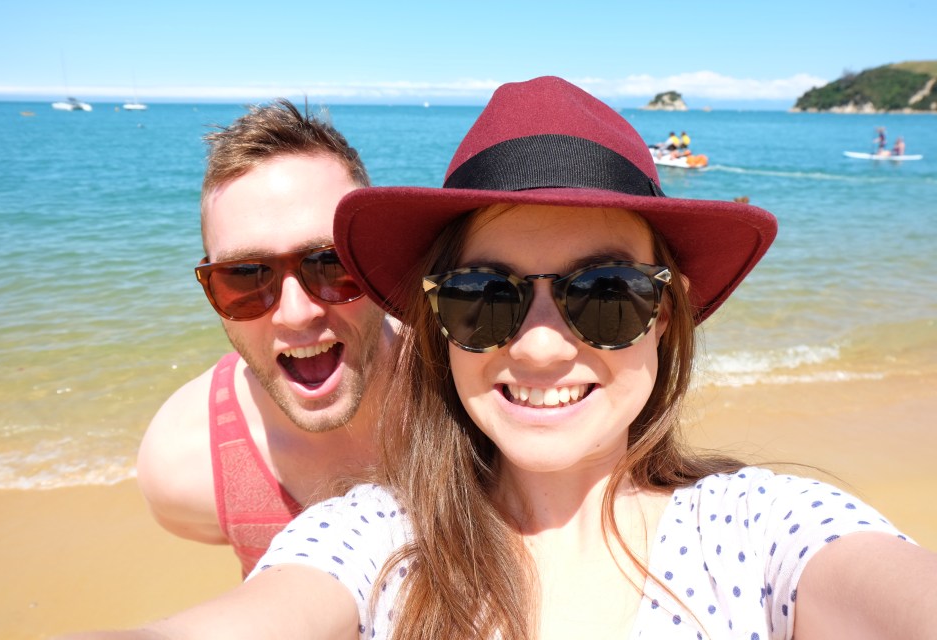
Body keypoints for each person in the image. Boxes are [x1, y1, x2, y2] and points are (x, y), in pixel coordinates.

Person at [67, 77, 937, 639]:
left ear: (666, 317)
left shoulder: (755, 530)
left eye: (608, 291)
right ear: (440, 321)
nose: (545, 344)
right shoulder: (375, 537)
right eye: (485, 297)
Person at [136, 99, 391, 577]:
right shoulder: (182, 464)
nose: (296, 314)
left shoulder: (466, 383)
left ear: (378, 256)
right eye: (246, 275)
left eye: (332, 263)